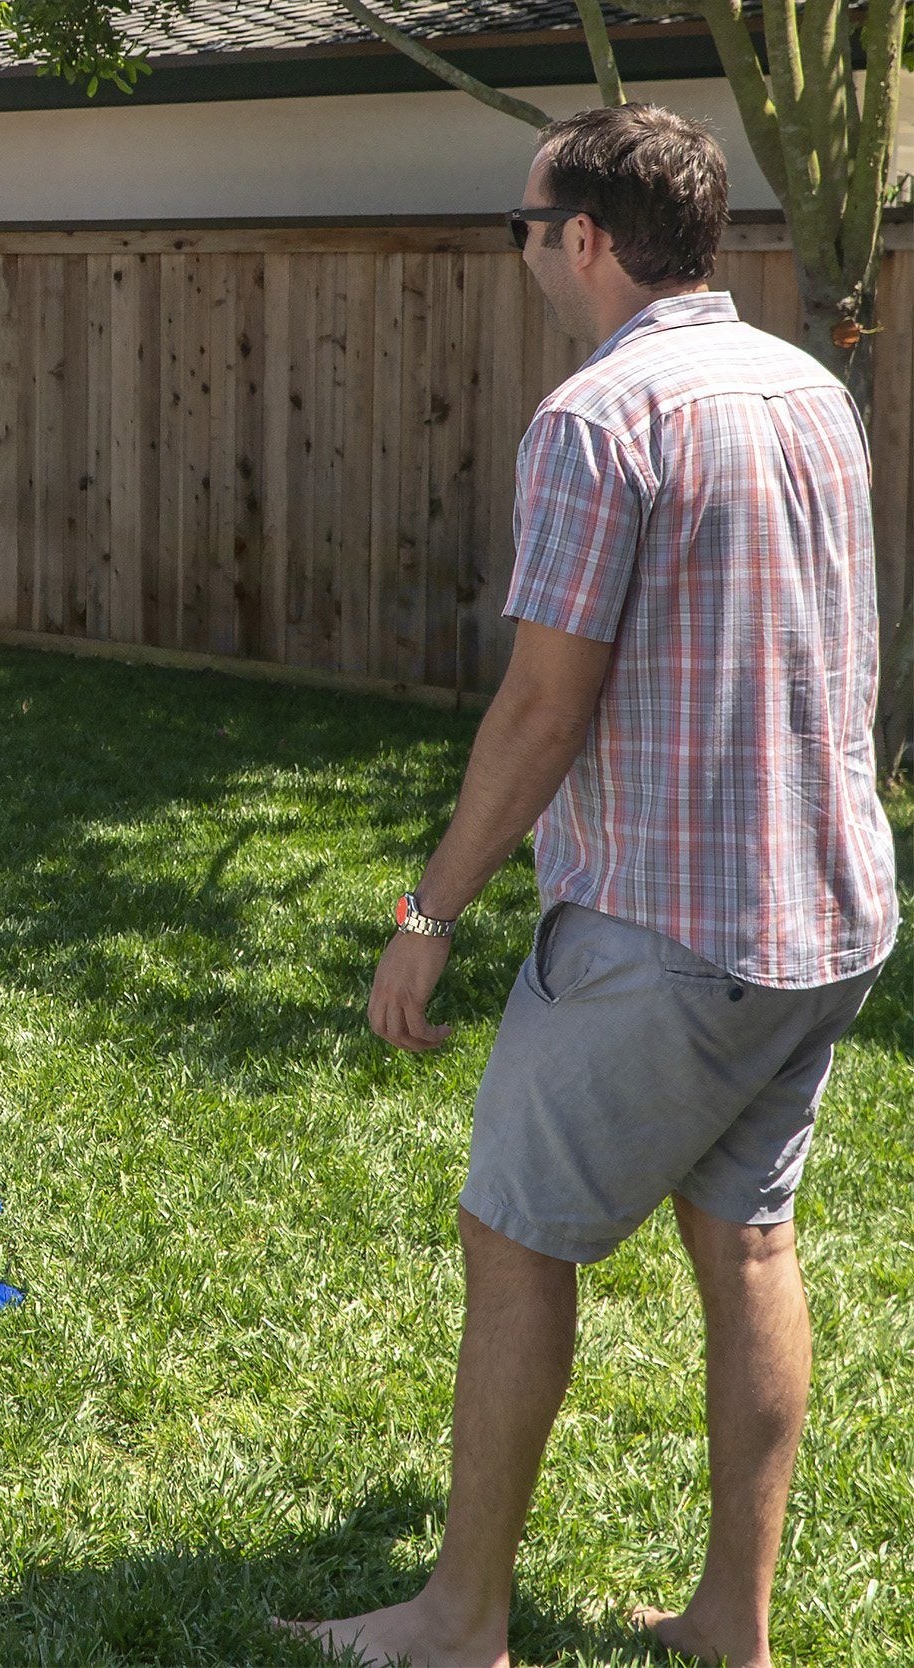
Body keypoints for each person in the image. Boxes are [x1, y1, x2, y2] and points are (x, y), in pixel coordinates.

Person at [294, 106, 898, 1668]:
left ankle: (461, 1618)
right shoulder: (809, 385)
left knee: (514, 1235)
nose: (521, 251)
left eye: (523, 224)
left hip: (674, 933)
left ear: (583, 236)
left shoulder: (597, 416)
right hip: (827, 917)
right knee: (751, 1243)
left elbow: (544, 707)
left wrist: (427, 916)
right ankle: (729, 1625)